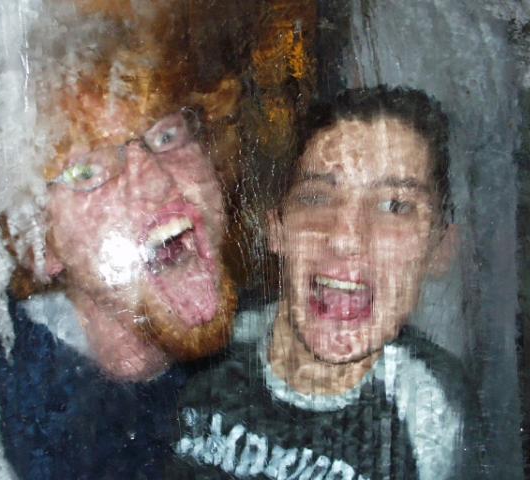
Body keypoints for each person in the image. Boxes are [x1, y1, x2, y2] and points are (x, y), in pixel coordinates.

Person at [0, 5, 240, 479]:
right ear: (39, 246)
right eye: (85, 171)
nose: (155, 180)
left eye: (166, 134)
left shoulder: (274, 349)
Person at [170, 86, 483, 479]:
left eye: (395, 206)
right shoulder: (207, 345)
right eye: (317, 198)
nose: (345, 238)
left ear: (440, 248)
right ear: (276, 227)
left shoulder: (433, 413)